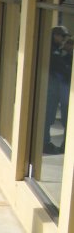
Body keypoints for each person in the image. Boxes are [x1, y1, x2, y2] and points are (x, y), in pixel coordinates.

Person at [43, 25, 69, 153]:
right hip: (50, 88)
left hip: (52, 87)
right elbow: (61, 69)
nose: (64, 40)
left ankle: (45, 142)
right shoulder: (51, 50)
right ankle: (44, 143)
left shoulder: (54, 49)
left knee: (48, 116)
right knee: (47, 116)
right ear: (56, 36)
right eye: (63, 36)